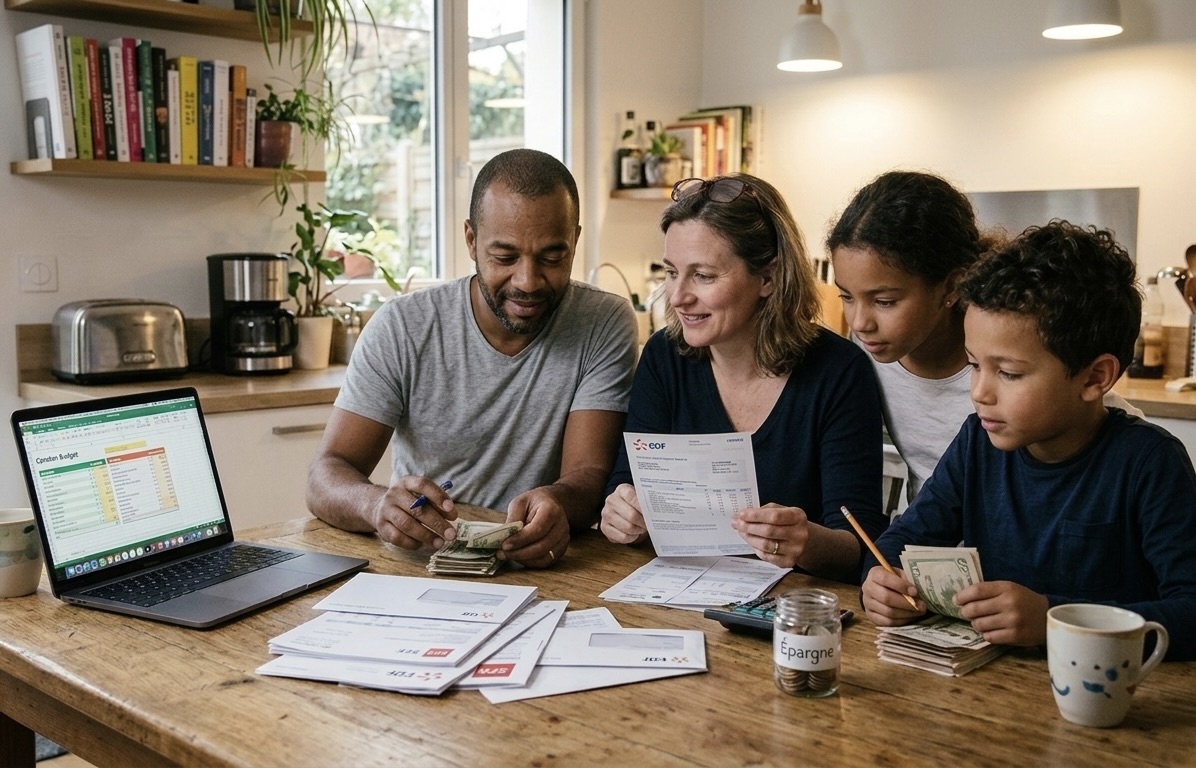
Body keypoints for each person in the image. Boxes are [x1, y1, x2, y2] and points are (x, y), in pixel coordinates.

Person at [861, 220, 1196, 661]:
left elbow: (1190, 612)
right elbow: (900, 542)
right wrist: (881, 581)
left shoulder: (1149, 463)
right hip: (990, 696)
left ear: (1096, 377)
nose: (979, 391)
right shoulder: (977, 444)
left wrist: (1051, 620)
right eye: (974, 365)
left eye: (1010, 373)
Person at [307, 148, 638, 568]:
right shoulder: (403, 326)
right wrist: (376, 506)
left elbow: (590, 474)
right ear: (470, 240)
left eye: (552, 258)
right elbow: (326, 474)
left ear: (574, 240)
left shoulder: (602, 322)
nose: (528, 281)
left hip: (548, 569)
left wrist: (559, 501)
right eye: (505, 257)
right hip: (424, 564)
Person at [600, 174, 887, 583]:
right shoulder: (664, 356)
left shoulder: (838, 371)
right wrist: (619, 512)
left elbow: (860, 543)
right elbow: (625, 483)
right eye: (671, 272)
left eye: (703, 275)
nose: (678, 296)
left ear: (768, 279)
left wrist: (806, 541)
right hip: (671, 595)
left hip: (792, 612)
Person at [828, 171, 1142, 504]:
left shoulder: (1013, 346)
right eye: (846, 297)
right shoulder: (867, 352)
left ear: (950, 286)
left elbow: (1099, 417)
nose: (860, 323)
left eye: (885, 301)